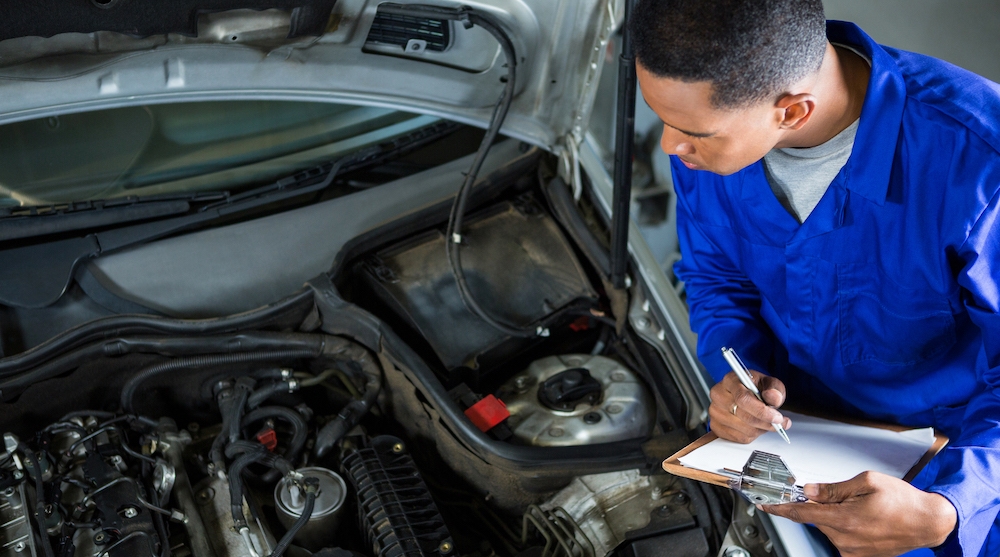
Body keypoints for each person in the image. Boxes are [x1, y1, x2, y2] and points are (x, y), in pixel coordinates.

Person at [630, 0, 1000, 555]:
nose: (669, 146)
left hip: (950, 474)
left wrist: (954, 504)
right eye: (663, 118)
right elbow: (716, 279)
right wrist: (739, 374)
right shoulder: (707, 150)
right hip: (789, 449)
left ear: (794, 112)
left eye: (690, 131)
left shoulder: (980, 165)